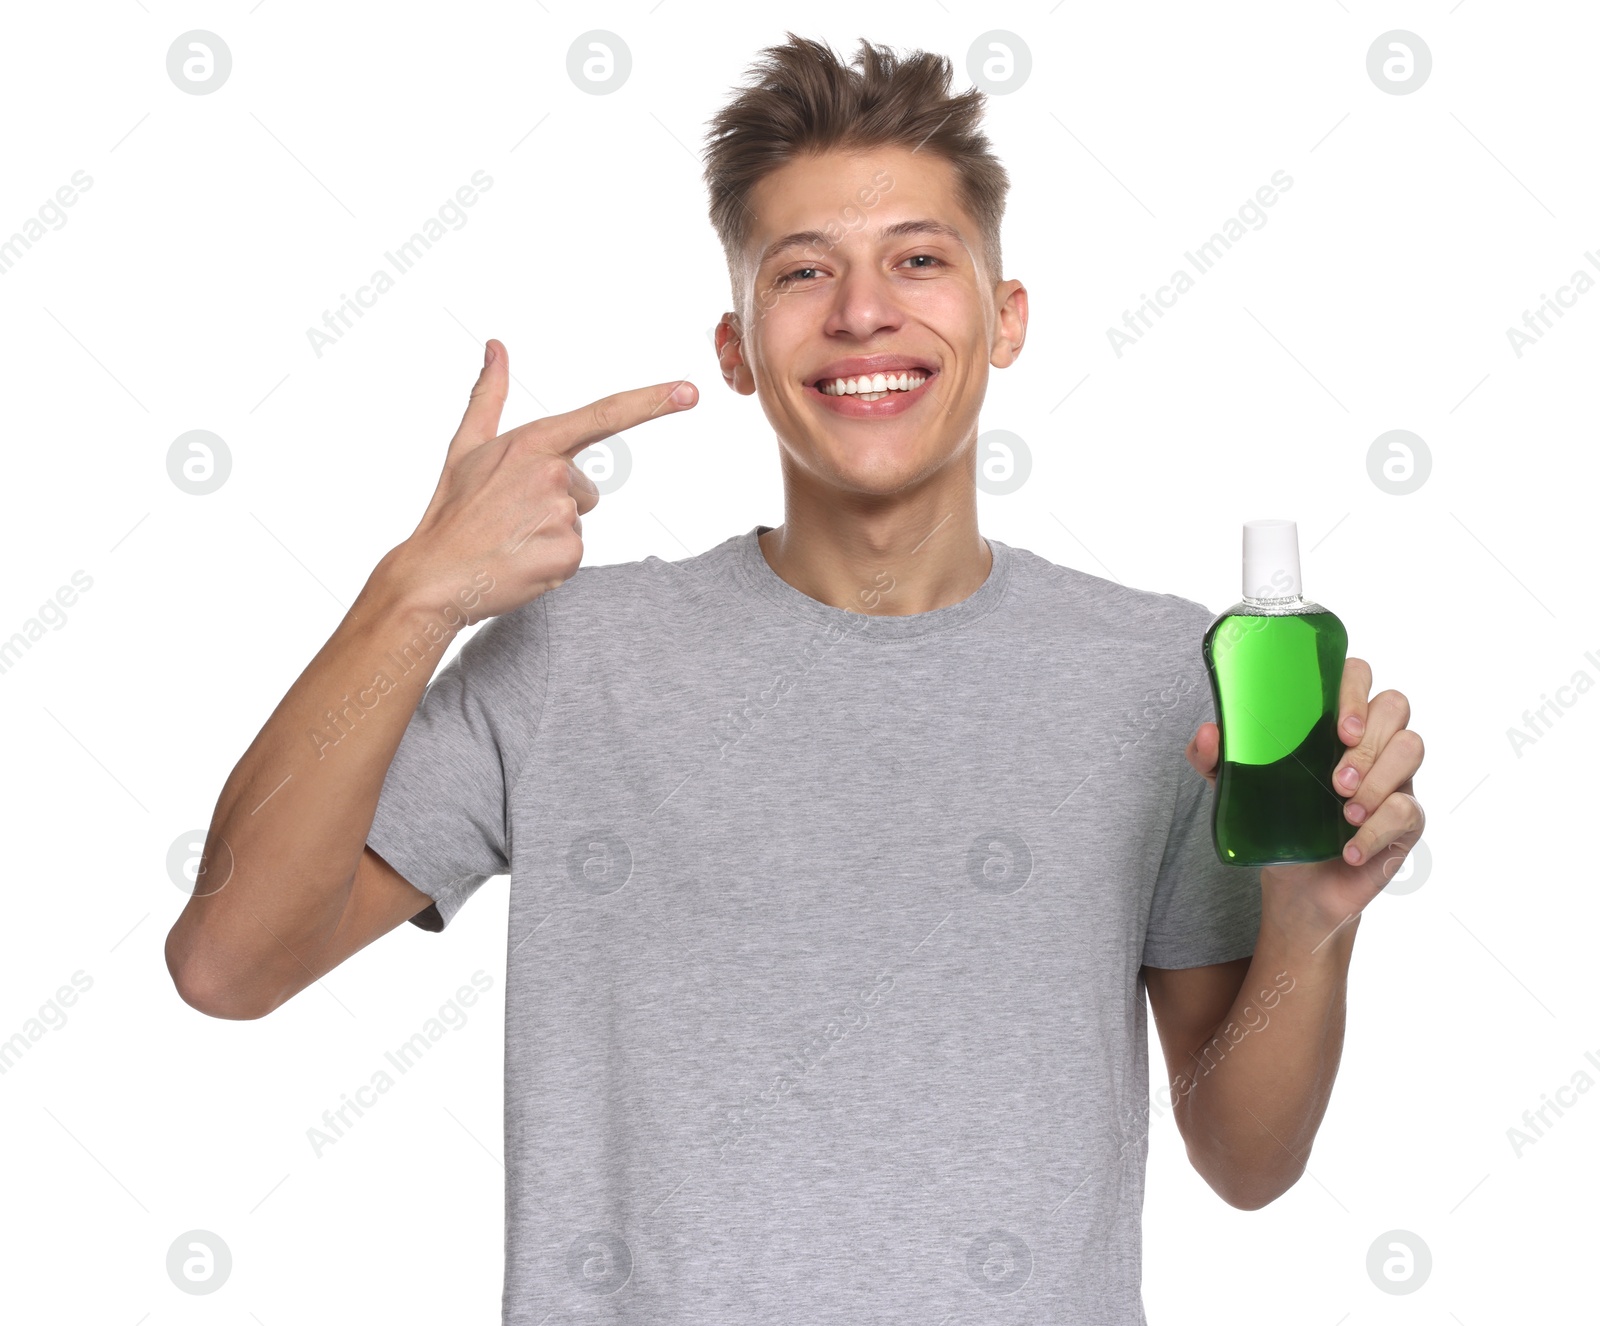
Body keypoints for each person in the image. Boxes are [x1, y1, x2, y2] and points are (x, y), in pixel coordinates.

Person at [164, 32, 1427, 1323]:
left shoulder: (1162, 678)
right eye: (803, 271)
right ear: (735, 347)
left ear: (1007, 319)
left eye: (920, 260)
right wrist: (414, 592)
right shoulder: (574, 660)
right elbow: (226, 960)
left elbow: (1247, 1157)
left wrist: (1309, 926)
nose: (863, 310)